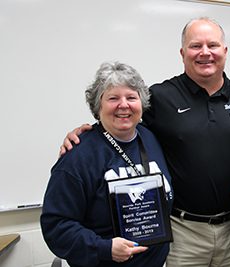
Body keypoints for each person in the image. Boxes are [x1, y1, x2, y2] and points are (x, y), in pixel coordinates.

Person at [59, 17, 230, 266]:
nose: (205, 53)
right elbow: (121, 118)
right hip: (182, 233)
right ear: (182, 53)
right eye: (195, 46)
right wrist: (85, 131)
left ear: (225, 51)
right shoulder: (161, 97)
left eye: (212, 45)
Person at [41, 61, 173, 267]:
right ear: (98, 105)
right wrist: (104, 248)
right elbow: (56, 225)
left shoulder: (151, 139)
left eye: (131, 97)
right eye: (113, 98)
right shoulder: (78, 156)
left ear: (142, 103)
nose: (124, 105)